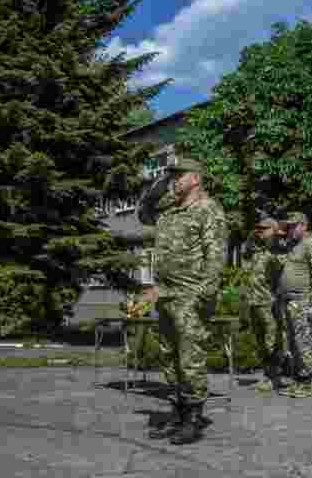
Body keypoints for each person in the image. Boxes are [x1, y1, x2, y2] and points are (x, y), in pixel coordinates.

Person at [132, 157, 229, 446]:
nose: (174, 180)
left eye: (180, 175)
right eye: (172, 176)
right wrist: (159, 184)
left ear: (196, 178)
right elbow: (144, 212)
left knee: (190, 358)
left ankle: (194, 419)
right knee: (169, 356)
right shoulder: (170, 212)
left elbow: (216, 256)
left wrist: (205, 295)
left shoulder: (208, 210)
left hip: (191, 295)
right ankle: (177, 413)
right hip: (166, 294)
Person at [275, 212, 312, 398]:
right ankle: (297, 379)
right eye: (289, 226)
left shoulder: (310, 245)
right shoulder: (291, 246)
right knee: (293, 343)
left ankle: (306, 382)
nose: (290, 229)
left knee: (303, 342)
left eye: (294, 226)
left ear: (304, 225)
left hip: (302, 300)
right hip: (288, 300)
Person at [243, 217, 287, 392]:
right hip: (254, 302)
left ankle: (275, 376)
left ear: (274, 231)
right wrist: (253, 234)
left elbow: (282, 271)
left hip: (269, 302)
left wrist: (274, 236)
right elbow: (246, 250)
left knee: (273, 341)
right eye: (258, 228)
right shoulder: (256, 251)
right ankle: (267, 375)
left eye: (264, 228)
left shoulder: (278, 251)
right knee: (260, 342)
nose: (259, 231)